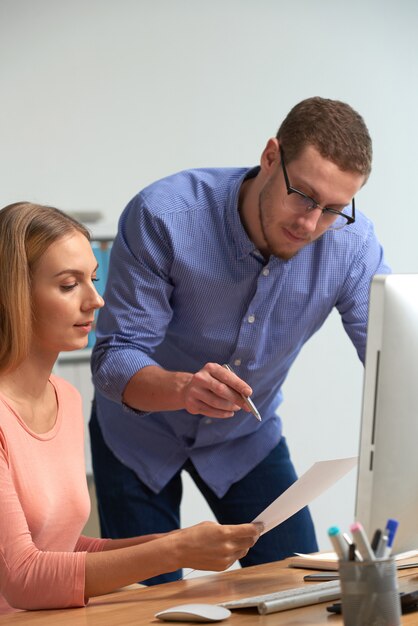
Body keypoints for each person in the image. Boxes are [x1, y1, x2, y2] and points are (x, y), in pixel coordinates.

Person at [90, 96, 391, 585]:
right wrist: (184, 389)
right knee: (146, 605)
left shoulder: (353, 246)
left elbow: (392, 355)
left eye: (334, 209)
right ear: (271, 156)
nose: (310, 224)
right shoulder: (164, 216)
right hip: (136, 438)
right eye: (304, 197)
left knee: (300, 587)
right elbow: (115, 356)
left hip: (245, 440)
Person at [0, 202, 261, 614]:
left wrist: (181, 542)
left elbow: (62, 548)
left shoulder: (64, 398)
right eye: (70, 285)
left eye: (93, 279)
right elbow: (22, 578)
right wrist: (174, 551)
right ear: (13, 294)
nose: (96, 300)